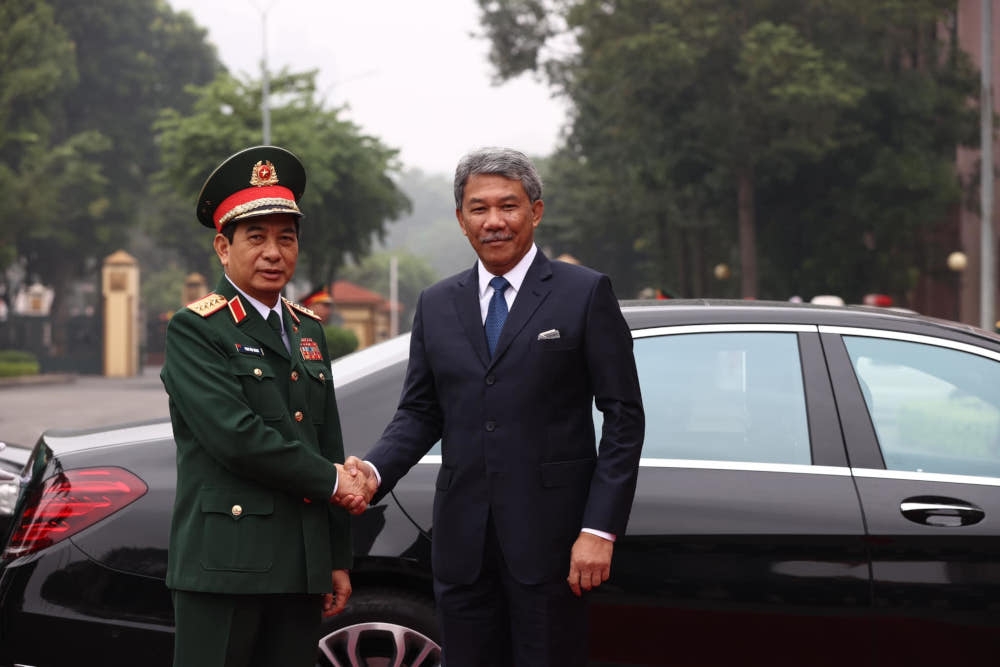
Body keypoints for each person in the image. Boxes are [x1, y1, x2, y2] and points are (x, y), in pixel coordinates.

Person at [347, 147, 645, 666]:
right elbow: (420, 412)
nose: (494, 221)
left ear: (536, 210)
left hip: (554, 544)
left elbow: (623, 417)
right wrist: (373, 471)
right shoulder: (437, 304)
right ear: (461, 220)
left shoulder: (585, 293)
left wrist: (599, 530)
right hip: (462, 545)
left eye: (508, 206)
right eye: (478, 209)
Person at [159, 145, 373, 667]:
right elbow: (237, 437)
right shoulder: (196, 329)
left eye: (286, 237)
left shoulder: (309, 330)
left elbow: (328, 441)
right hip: (225, 567)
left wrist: (335, 559)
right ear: (222, 247)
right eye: (256, 237)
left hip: (299, 567)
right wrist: (332, 480)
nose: (273, 252)